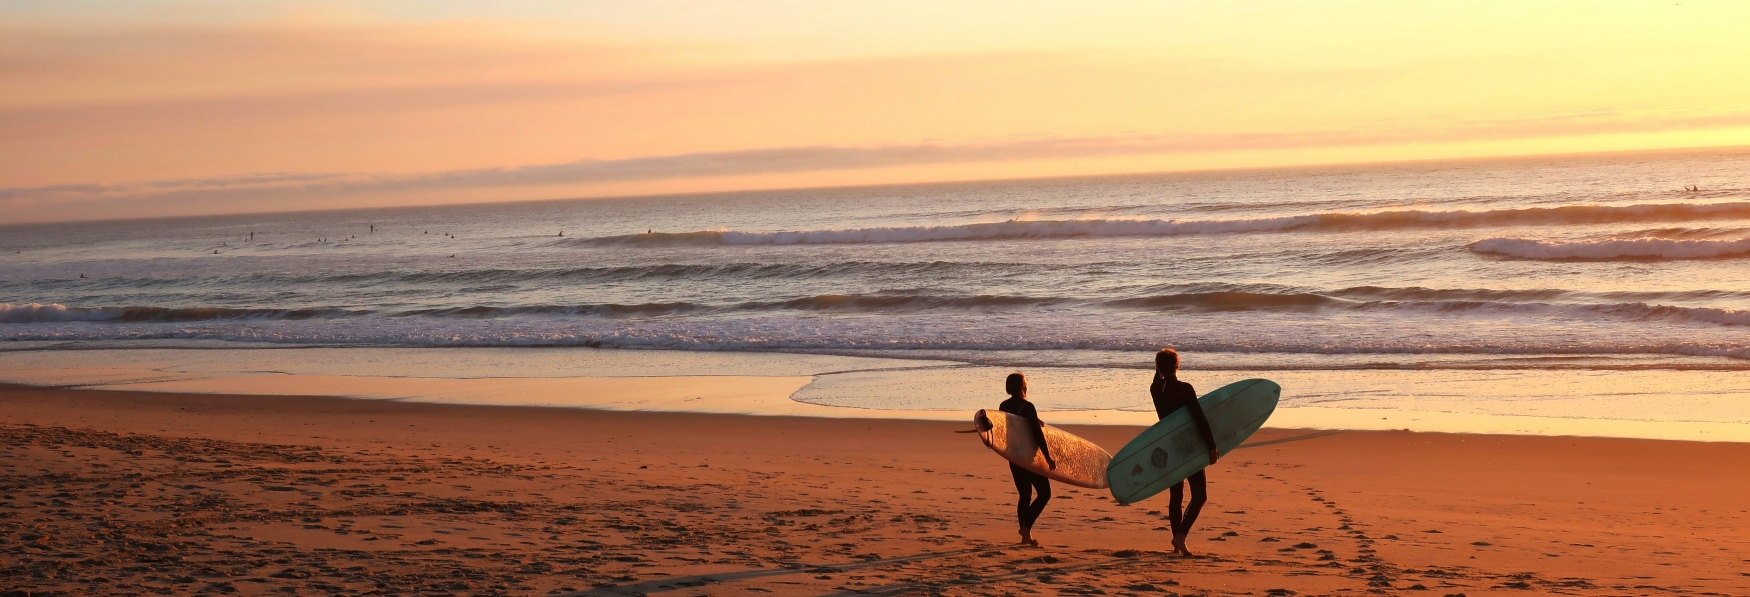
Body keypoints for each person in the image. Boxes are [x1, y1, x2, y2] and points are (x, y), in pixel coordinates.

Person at [1151, 348, 1220, 556]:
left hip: (1169, 447)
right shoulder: (1185, 389)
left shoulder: (1155, 389)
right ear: (1177, 365)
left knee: (1176, 495)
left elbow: (1157, 380)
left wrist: (1158, 370)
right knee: (1199, 495)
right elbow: (1199, 418)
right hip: (1188, 446)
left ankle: (1176, 544)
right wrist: (1211, 446)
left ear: (1159, 367)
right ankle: (1180, 536)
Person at [999, 372, 1055, 546]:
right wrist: (1048, 457)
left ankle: (1025, 536)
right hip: (1028, 457)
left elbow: (1010, 427)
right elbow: (1038, 435)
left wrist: (1034, 419)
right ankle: (1026, 527)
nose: (1027, 385)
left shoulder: (1003, 405)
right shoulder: (1028, 406)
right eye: (1025, 382)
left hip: (1013, 456)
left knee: (1024, 495)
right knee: (1045, 493)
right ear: (1021, 387)